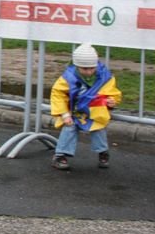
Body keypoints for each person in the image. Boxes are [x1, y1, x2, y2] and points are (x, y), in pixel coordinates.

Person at [50, 43, 121, 171]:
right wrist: (64, 114)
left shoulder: (105, 77)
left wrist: (113, 101)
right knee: (69, 127)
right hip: (74, 110)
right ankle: (60, 155)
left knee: (98, 129)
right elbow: (58, 94)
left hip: (95, 110)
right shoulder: (68, 77)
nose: (88, 72)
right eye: (84, 69)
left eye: (91, 68)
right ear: (76, 66)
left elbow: (112, 92)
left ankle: (103, 152)